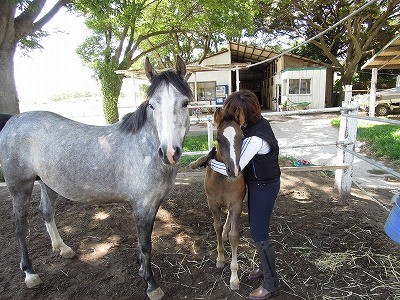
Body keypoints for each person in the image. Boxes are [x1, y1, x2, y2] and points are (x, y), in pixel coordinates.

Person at [208, 90, 281, 300]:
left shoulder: (255, 139)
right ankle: (264, 269)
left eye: (233, 113)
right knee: (259, 230)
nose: (230, 117)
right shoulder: (254, 125)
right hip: (259, 183)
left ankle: (270, 284)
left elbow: (233, 170)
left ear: (244, 114)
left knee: (259, 232)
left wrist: (208, 161)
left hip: (264, 186)